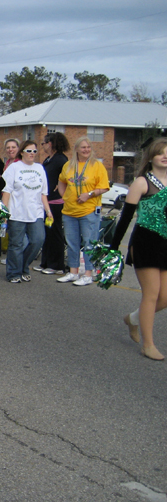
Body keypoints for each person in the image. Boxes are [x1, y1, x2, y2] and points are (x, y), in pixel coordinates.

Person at [110, 138, 167, 360]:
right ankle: (148, 345)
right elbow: (124, 219)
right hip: (146, 243)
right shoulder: (142, 183)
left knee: (165, 297)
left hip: (166, 245)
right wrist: (114, 248)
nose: (164, 156)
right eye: (160, 152)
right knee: (151, 295)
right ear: (151, 157)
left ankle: (132, 319)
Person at [56, 136, 110, 286]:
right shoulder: (68, 165)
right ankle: (73, 272)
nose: (86, 150)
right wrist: (65, 196)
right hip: (69, 211)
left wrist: (89, 194)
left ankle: (88, 273)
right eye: (83, 147)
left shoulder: (97, 166)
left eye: (88, 147)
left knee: (89, 243)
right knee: (72, 243)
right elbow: (61, 181)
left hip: (89, 210)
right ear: (77, 149)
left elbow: (104, 187)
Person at [1, 141, 51, 283]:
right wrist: (4, 212)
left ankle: (24, 266)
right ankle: (14, 273)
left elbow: (43, 193)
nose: (32, 154)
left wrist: (48, 210)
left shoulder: (40, 168)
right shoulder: (14, 168)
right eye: (29, 151)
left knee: (37, 240)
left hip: (36, 213)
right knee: (16, 244)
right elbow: (6, 191)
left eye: (34, 151)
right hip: (17, 213)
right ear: (22, 152)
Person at [36, 132, 69, 275]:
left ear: (50, 144)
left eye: (43, 144)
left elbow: (67, 177)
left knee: (55, 232)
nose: (42, 146)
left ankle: (57, 264)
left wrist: (60, 185)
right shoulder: (48, 160)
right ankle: (46, 262)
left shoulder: (61, 160)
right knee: (47, 232)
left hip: (56, 202)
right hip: (46, 201)